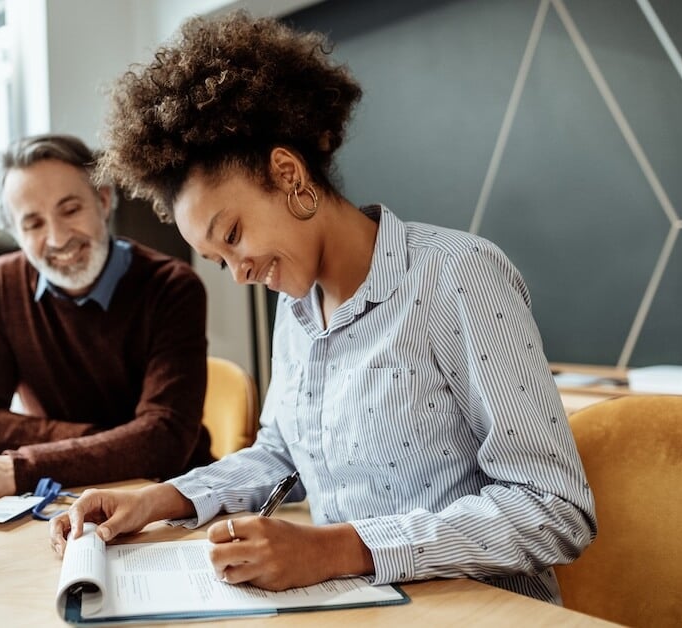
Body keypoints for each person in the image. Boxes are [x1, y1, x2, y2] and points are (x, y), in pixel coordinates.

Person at [50, 13, 596, 604]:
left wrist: (337, 548)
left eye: (232, 235)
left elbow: (554, 509)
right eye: (217, 260)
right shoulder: (297, 307)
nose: (238, 275)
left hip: (482, 612)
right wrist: (161, 498)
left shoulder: (455, 277)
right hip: (360, 609)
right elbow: (280, 454)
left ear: (288, 173)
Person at [0, 134, 214, 504]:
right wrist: (121, 439)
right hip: (60, 497)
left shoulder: (172, 287)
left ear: (104, 200)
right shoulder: (2, 284)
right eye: (33, 224)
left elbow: (164, 443)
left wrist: (21, 468)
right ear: (15, 233)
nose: (58, 237)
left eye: (70, 209)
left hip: (166, 500)